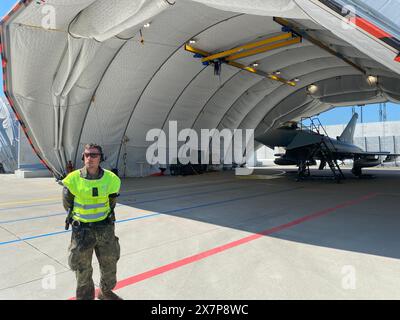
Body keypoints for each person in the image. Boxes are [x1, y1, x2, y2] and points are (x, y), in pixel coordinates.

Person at [62, 143, 122, 300]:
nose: (90, 158)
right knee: (82, 270)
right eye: (87, 155)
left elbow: (111, 203)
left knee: (110, 265)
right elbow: (67, 204)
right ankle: (85, 298)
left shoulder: (111, 179)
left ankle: (105, 292)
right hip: (82, 231)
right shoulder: (72, 179)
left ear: (100, 158)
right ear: (83, 157)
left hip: (105, 228)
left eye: (94, 155)